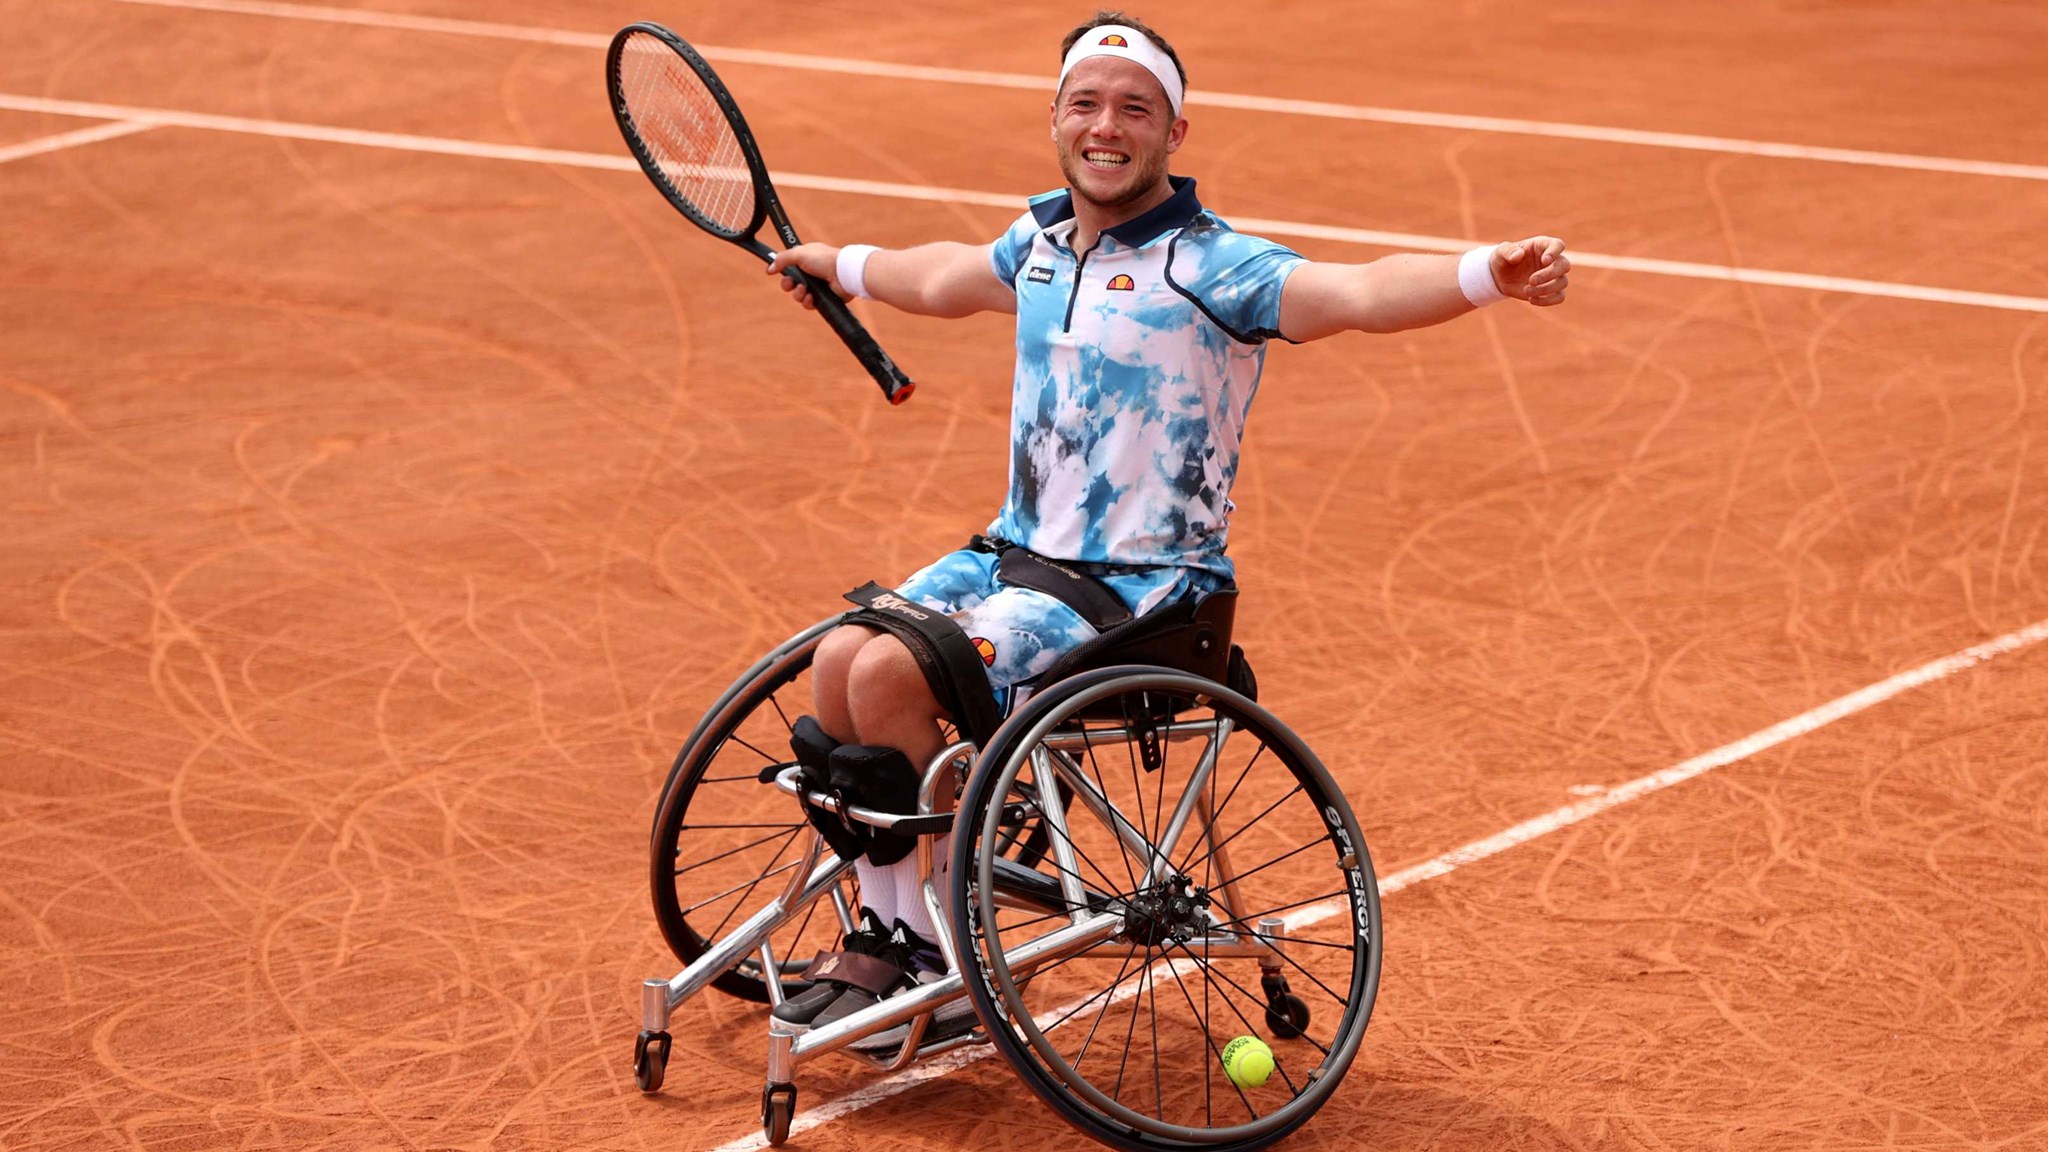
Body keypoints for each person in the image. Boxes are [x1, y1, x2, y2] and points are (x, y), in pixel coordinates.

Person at [761, 10, 1569, 1045]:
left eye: (1133, 108)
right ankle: (901, 928)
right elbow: (939, 277)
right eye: (1085, 104)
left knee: (880, 679)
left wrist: (1482, 276)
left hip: (1143, 587)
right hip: (1017, 554)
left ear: (1172, 134)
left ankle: (935, 959)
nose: (1107, 126)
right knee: (838, 661)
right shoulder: (1040, 244)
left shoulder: (1212, 266)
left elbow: (1356, 292)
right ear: (1054, 119)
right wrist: (840, 260)